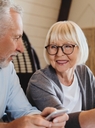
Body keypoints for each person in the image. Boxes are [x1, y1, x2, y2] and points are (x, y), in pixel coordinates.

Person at [26, 20, 95, 128]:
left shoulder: (84, 73)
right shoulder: (39, 81)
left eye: (68, 46)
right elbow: (62, 122)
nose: (59, 54)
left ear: (80, 48)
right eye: (53, 47)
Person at [0, 0, 69, 128]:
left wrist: (43, 118)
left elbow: (23, 110)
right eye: (16, 38)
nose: (21, 48)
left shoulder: (7, 69)